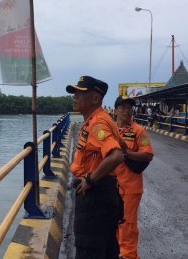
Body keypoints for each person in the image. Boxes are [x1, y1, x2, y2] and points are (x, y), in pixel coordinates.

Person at [66, 75, 124, 259]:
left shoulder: (98, 123)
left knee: (88, 251)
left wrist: (90, 180)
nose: (75, 96)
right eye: (74, 92)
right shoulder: (99, 120)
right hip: (104, 195)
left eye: (80, 92)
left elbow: (117, 155)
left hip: (96, 198)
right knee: (106, 251)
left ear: (96, 98)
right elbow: (122, 145)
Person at [114, 96, 154, 259]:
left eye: (129, 107)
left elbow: (147, 154)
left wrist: (126, 153)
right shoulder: (110, 130)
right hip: (111, 186)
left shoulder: (138, 131)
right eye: (123, 107)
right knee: (112, 225)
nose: (127, 110)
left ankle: (130, 256)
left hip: (130, 188)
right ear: (115, 110)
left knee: (127, 227)